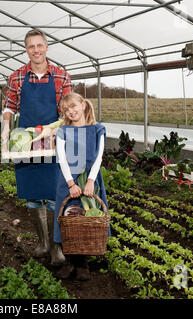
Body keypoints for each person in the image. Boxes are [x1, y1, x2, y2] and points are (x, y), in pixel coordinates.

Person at [1, 29, 72, 265]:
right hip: (27, 141)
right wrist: (5, 132)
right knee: (32, 196)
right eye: (31, 47)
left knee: (53, 195)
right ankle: (42, 243)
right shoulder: (17, 77)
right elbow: (9, 108)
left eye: (40, 45)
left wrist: (59, 130)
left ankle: (55, 248)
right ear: (26, 50)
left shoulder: (61, 76)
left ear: (47, 47)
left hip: (52, 141)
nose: (36, 50)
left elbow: (69, 109)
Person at [53, 92, 110, 281]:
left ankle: (83, 263)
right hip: (67, 180)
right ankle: (70, 262)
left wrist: (91, 181)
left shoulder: (98, 129)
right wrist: (71, 183)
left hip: (90, 180)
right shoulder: (62, 131)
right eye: (66, 110)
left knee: (86, 219)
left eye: (73, 106)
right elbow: (61, 158)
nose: (71, 111)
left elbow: (99, 157)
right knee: (67, 218)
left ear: (83, 105)